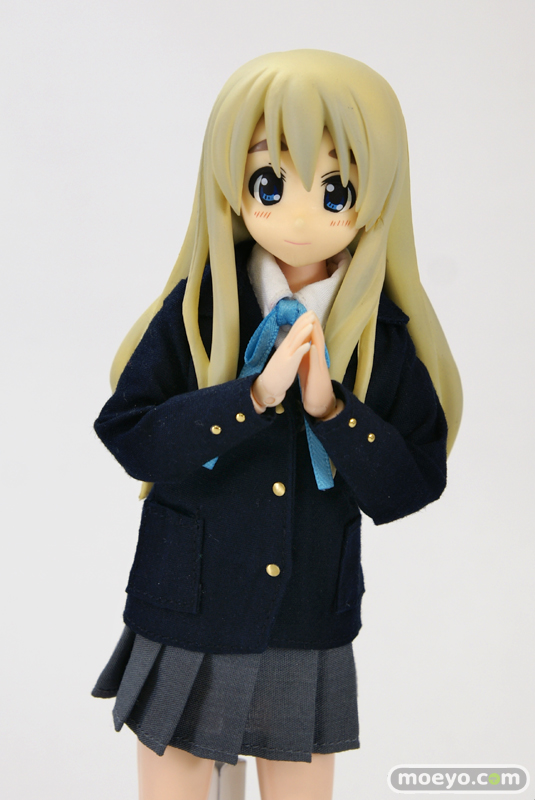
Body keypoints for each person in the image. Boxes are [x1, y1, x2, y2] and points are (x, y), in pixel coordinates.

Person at [91, 50, 462, 800]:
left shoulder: (380, 337)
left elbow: (409, 485)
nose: (298, 216)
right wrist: (252, 397)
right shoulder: (197, 311)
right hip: (187, 603)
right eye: (269, 182)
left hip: (306, 611)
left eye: (335, 190)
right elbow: (131, 436)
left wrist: (332, 410)